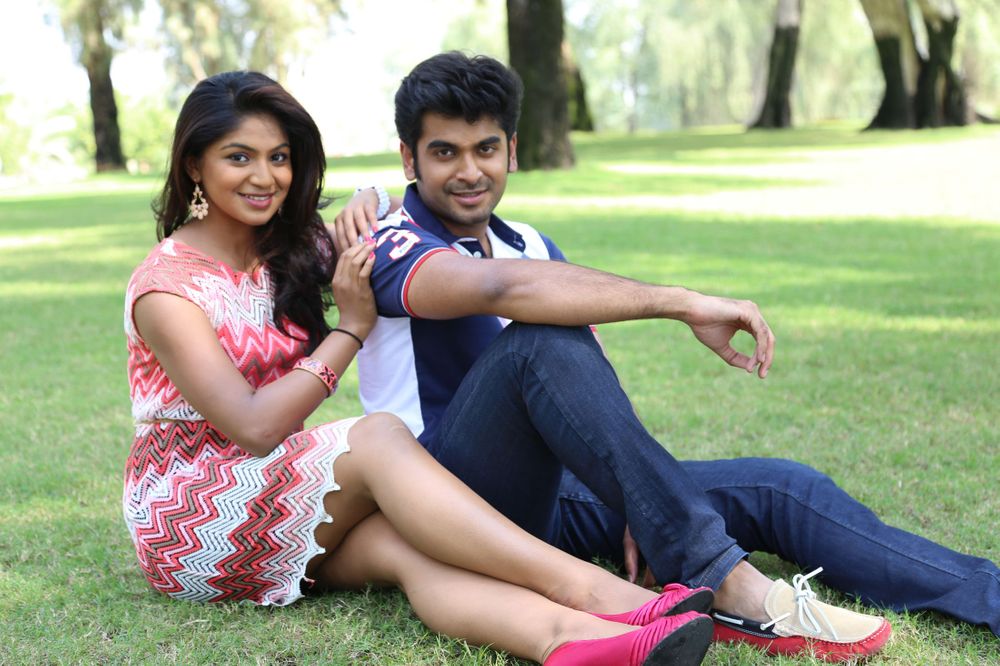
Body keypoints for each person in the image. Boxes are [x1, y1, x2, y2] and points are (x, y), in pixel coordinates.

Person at [333, 52, 1000, 658]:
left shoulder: (531, 243)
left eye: (485, 148)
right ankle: (725, 583)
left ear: (511, 148)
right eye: (444, 152)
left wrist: (635, 503)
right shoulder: (384, 240)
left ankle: (987, 596)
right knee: (538, 340)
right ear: (409, 160)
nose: (469, 171)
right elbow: (499, 291)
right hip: (447, 501)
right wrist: (682, 302)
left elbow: (586, 392)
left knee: (783, 488)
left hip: (551, 500)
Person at [121, 70, 731, 666]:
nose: (265, 177)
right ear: (194, 165)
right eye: (239, 158)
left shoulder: (293, 248)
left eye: (279, 157)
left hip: (281, 492)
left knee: (416, 551)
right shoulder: (166, 288)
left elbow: (395, 214)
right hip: (191, 512)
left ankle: (577, 643)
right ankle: (596, 592)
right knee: (378, 435)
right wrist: (351, 329)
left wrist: (373, 195)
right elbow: (254, 427)